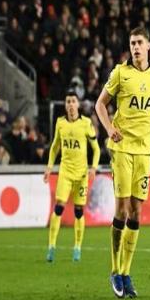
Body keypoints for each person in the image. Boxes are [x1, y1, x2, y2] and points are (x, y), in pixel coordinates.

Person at [95, 26, 150, 299]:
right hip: (121, 148)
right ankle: (115, 270)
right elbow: (100, 104)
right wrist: (109, 129)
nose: (136, 47)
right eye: (132, 43)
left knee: (137, 212)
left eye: (140, 42)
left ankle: (126, 273)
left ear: (149, 45)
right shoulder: (120, 73)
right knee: (122, 208)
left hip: (144, 150)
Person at [44, 91, 100, 262]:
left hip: (82, 174)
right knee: (59, 207)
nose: (70, 104)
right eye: (68, 101)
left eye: (73, 101)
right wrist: (49, 167)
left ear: (78, 104)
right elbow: (55, 147)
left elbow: (96, 149)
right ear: (65, 105)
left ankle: (77, 247)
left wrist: (93, 168)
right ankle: (51, 246)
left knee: (78, 211)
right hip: (65, 172)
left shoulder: (86, 123)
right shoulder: (60, 123)